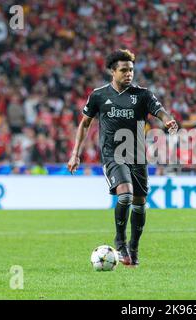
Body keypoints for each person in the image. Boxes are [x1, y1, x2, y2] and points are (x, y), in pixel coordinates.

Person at [67, 49, 178, 266]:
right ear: (113, 72)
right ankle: (120, 242)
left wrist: (168, 120)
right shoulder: (99, 95)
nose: (129, 74)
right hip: (113, 155)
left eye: (131, 70)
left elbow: (160, 110)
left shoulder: (142, 94)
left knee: (139, 204)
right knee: (125, 195)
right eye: (124, 70)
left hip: (137, 155)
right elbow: (85, 124)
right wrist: (75, 153)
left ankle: (133, 249)